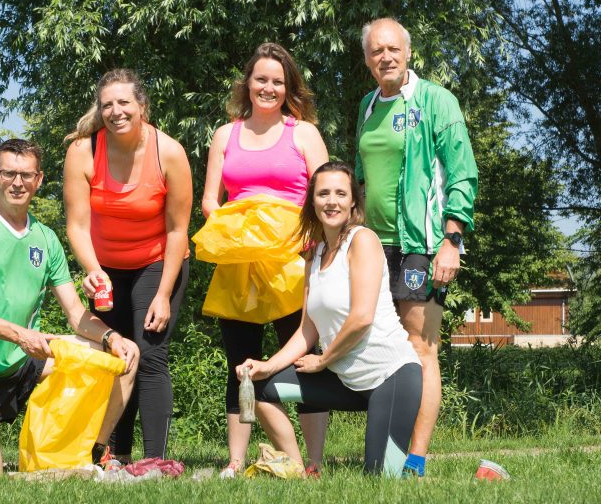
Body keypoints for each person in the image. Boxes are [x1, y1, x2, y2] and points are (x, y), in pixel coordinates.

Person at [0, 139, 139, 475]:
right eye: (9, 173)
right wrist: (19, 334)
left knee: (123, 355)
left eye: (26, 175)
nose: (17, 182)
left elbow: (74, 313)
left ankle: (93, 451)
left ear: (39, 180)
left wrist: (112, 336)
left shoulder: (46, 238)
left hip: (28, 358)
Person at [237, 161, 422, 477]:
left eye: (340, 193)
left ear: (353, 201)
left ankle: (396, 468)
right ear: (312, 201)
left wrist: (323, 361)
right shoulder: (315, 254)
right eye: (323, 193)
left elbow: (361, 318)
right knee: (263, 387)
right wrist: (267, 365)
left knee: (380, 480)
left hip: (391, 378)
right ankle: (300, 471)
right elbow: (308, 328)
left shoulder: (363, 241)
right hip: (345, 381)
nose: (331, 201)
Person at [355, 18, 478, 477]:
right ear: (367, 60)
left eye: (392, 48)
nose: (384, 56)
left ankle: (415, 460)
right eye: (375, 51)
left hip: (423, 243)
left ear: (408, 53)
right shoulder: (366, 106)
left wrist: (452, 240)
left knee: (419, 346)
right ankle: (384, 450)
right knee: (378, 343)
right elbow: (360, 183)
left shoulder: (436, 101)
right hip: (373, 245)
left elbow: (462, 170)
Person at [202, 42, 329, 477]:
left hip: (293, 264)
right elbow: (209, 202)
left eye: (278, 81)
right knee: (239, 362)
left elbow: (326, 194)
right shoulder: (225, 134)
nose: (269, 88)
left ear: (288, 87)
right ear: (247, 83)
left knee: (301, 360)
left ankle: (312, 462)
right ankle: (235, 461)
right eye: (261, 79)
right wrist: (237, 236)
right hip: (238, 265)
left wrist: (305, 242)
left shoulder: (305, 133)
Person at [63, 69, 192, 461]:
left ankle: (156, 460)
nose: (116, 111)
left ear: (142, 107)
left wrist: (164, 294)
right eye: (107, 105)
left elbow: (177, 230)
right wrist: (91, 269)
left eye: (124, 103)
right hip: (107, 267)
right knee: (116, 355)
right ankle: (116, 456)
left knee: (150, 355)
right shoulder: (83, 152)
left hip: (158, 262)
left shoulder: (168, 152)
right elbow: (77, 225)